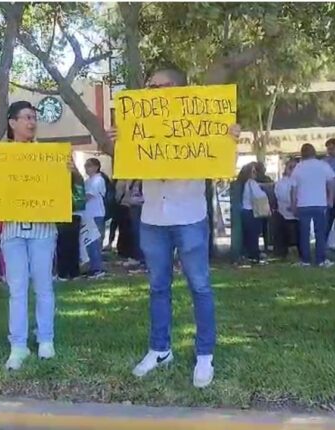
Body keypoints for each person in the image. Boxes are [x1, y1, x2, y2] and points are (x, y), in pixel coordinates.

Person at [105, 68, 240, 389]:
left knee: (200, 286)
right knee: (157, 287)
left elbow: (221, 164)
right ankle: (159, 349)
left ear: (180, 89)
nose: (153, 91)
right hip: (152, 217)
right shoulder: (138, 124)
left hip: (190, 215)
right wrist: (118, 144)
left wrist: (229, 139)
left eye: (160, 86)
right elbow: (129, 167)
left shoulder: (200, 122)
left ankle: (204, 355)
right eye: (150, 86)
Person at [0, 101, 58, 370]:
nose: (32, 122)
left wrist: (69, 171)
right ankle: (18, 345)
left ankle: (46, 341)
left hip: (43, 228)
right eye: (26, 117)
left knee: (44, 286)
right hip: (11, 230)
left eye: (34, 117)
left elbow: (68, 189)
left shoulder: (49, 155)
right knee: (17, 289)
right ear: (12, 122)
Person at [291, 143, 335, 267]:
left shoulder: (298, 167)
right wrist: (330, 198)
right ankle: (321, 259)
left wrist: (293, 204)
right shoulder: (323, 165)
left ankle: (305, 259)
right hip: (320, 203)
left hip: (303, 203)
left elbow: (294, 188)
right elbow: (331, 182)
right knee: (320, 232)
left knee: (304, 233)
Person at [56, 167, 85, 281]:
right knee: (73, 244)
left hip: (64, 213)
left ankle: (63, 273)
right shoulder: (78, 177)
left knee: (62, 244)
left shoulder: (60, 177)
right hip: (75, 213)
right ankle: (74, 272)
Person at [238, 162, 268, 264]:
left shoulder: (245, 183)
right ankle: (254, 255)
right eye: (254, 171)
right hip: (252, 212)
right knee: (254, 235)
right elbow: (259, 195)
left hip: (245, 211)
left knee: (248, 235)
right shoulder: (252, 183)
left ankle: (249, 254)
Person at [84, 157, 107, 279]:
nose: (86, 168)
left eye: (89, 165)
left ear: (96, 167)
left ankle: (98, 269)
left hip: (96, 213)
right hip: (88, 214)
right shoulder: (88, 180)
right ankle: (92, 266)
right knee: (89, 242)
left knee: (95, 242)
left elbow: (89, 196)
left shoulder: (98, 180)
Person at [273, 158, 301, 259]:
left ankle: (297, 252)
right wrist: (290, 204)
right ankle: (286, 252)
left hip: (298, 213)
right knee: (286, 233)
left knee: (297, 234)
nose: (292, 170)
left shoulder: (300, 180)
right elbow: (280, 195)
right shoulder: (281, 182)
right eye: (290, 167)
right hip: (284, 212)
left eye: (295, 167)